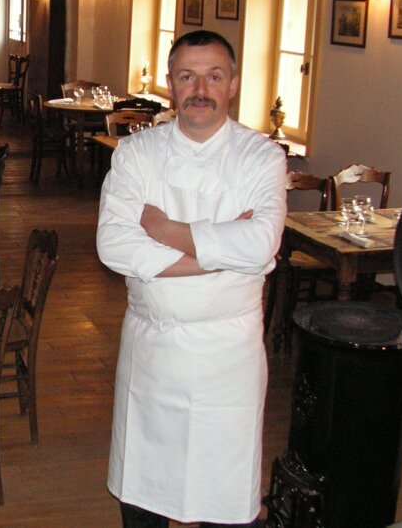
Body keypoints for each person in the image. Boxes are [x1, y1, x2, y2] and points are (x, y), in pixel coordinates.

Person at [97, 30, 287, 527]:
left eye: (213, 76)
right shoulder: (136, 154)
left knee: (226, 496)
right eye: (187, 76)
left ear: (234, 84)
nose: (200, 88)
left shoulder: (262, 157)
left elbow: (262, 243)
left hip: (229, 354)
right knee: (141, 494)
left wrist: (166, 230)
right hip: (152, 349)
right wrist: (221, 253)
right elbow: (114, 244)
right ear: (170, 84)